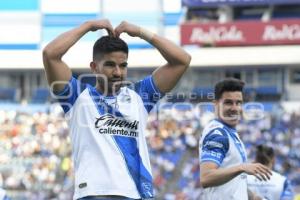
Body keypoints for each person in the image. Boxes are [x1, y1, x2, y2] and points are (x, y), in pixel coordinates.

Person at [42, 19, 191, 200]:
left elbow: (182, 60)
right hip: (93, 194)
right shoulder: (76, 97)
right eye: (110, 65)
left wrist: (141, 31)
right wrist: (88, 26)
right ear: (94, 67)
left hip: (135, 194)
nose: (118, 72)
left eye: (123, 65)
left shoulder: (140, 97)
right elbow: (50, 54)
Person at [198, 78, 272, 200]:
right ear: (215, 105)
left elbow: (232, 181)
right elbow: (206, 177)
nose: (235, 108)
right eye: (228, 102)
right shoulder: (218, 134)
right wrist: (242, 167)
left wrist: (252, 196)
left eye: (238, 103)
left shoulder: (229, 132)